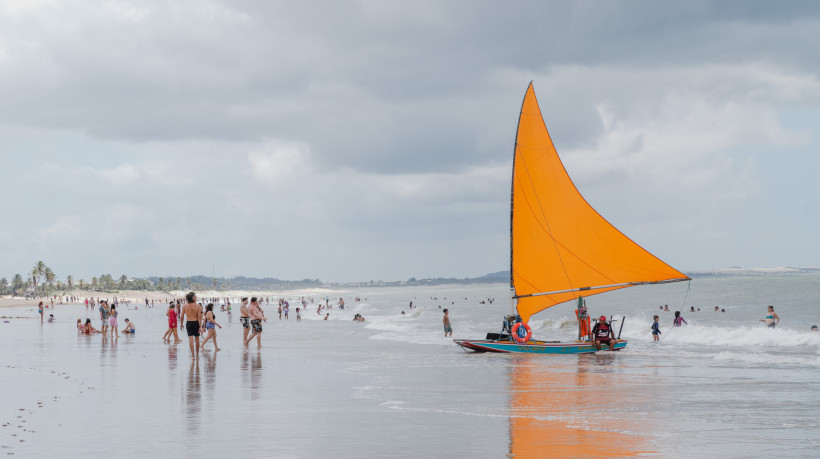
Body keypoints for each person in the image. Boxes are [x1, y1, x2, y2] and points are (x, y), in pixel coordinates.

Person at [180, 292, 202, 359]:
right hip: (196, 323)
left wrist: (181, 324)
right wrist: (200, 326)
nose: (196, 298)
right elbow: (199, 317)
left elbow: (182, 316)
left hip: (189, 323)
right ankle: (197, 355)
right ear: (192, 298)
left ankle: (193, 356)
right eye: (195, 297)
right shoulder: (198, 306)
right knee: (197, 339)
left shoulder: (184, 306)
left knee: (190, 340)